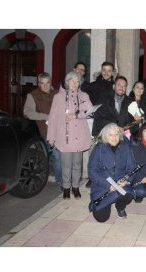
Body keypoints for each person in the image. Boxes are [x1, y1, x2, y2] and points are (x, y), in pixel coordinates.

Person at [47, 71, 92, 199]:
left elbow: (89, 110)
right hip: (64, 136)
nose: (75, 83)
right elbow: (53, 118)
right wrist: (51, 136)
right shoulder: (59, 97)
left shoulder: (83, 95)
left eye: (77, 81)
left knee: (77, 163)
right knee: (66, 164)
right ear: (67, 82)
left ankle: (76, 187)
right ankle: (66, 187)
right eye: (72, 81)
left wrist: (76, 115)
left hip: (79, 135)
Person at [88, 123, 137, 222]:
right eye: (110, 135)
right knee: (102, 218)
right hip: (103, 186)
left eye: (116, 134)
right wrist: (108, 185)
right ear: (105, 136)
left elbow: (132, 167)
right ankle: (100, 201)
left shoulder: (125, 147)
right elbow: (92, 171)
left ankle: (120, 207)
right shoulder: (99, 149)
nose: (114, 138)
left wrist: (127, 180)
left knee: (128, 195)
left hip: (120, 183)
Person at [23, 72, 62, 186]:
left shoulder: (57, 94)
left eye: (47, 83)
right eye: (42, 83)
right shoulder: (33, 95)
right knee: (56, 153)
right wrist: (46, 116)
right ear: (38, 84)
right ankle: (60, 181)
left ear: (51, 82)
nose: (45, 86)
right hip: (45, 130)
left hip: (60, 129)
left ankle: (56, 174)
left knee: (60, 154)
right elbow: (27, 113)